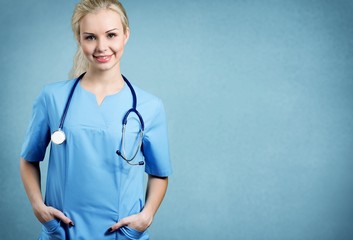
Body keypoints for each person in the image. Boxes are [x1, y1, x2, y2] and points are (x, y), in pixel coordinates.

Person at [19, 0, 172, 239]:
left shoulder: (149, 106)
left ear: (126, 35)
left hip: (121, 233)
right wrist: (39, 208)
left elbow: (160, 173)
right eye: (90, 37)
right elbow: (28, 159)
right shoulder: (52, 97)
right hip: (63, 232)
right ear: (79, 39)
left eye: (111, 35)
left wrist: (146, 216)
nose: (102, 47)